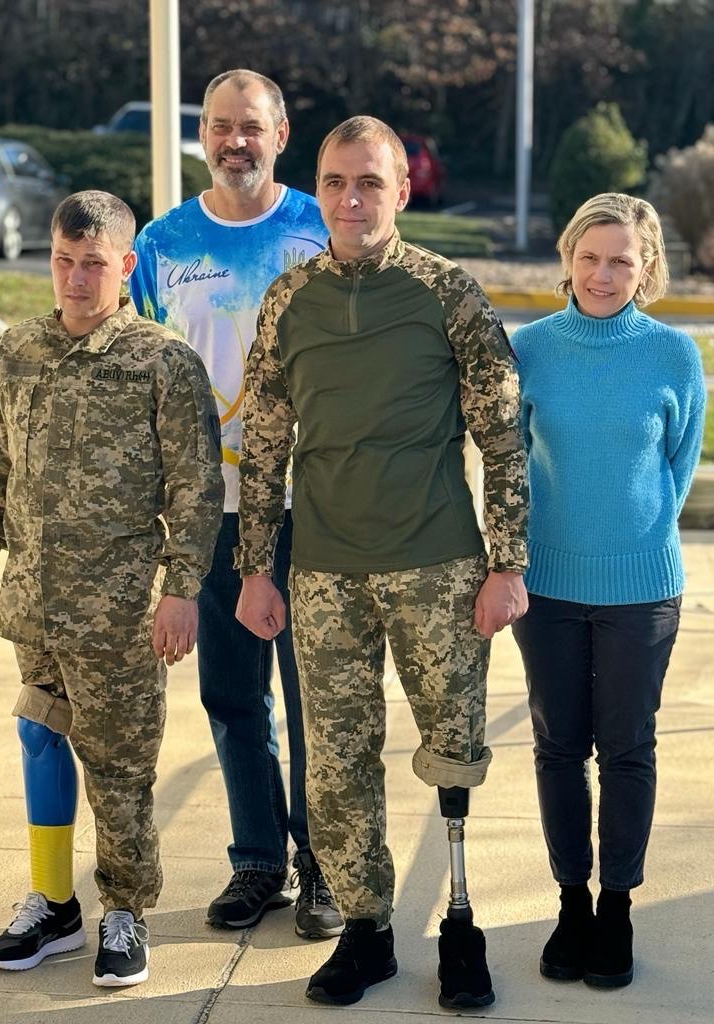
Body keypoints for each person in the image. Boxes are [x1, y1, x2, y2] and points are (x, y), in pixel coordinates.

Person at [235, 115, 529, 1008]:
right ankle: (366, 929)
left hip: (438, 567)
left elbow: (503, 435)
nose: (351, 199)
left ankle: (461, 923)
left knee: (453, 751)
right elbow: (264, 446)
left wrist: (507, 563)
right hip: (325, 573)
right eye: (335, 182)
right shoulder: (289, 300)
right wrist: (255, 568)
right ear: (317, 189)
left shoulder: (447, 292)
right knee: (336, 762)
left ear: (402, 190)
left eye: (370, 182)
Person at [0, 190, 224, 987]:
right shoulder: (19, 350)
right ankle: (53, 904)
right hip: (33, 603)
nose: (74, 279)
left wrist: (181, 590)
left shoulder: (161, 361)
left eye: (93, 264)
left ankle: (126, 910)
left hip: (120, 613)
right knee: (39, 738)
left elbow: (196, 489)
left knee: (119, 766)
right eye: (63, 261)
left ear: (126, 265)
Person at [130, 69, 343, 939]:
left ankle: (326, 865)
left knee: (316, 695)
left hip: (314, 502)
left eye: (251, 126)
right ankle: (258, 861)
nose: (235, 142)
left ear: (281, 135)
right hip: (209, 510)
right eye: (220, 126)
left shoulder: (322, 227)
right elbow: (142, 374)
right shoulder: (161, 245)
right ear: (203, 136)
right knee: (232, 696)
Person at [511, 193, 706, 990]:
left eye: (621, 259)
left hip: (640, 590)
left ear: (646, 267)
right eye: (589, 257)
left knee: (627, 748)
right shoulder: (530, 349)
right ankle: (571, 905)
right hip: (548, 587)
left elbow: (679, 465)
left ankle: (617, 908)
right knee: (559, 747)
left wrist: (636, 540)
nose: (602, 273)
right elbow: (508, 463)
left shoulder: (674, 355)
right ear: (567, 258)